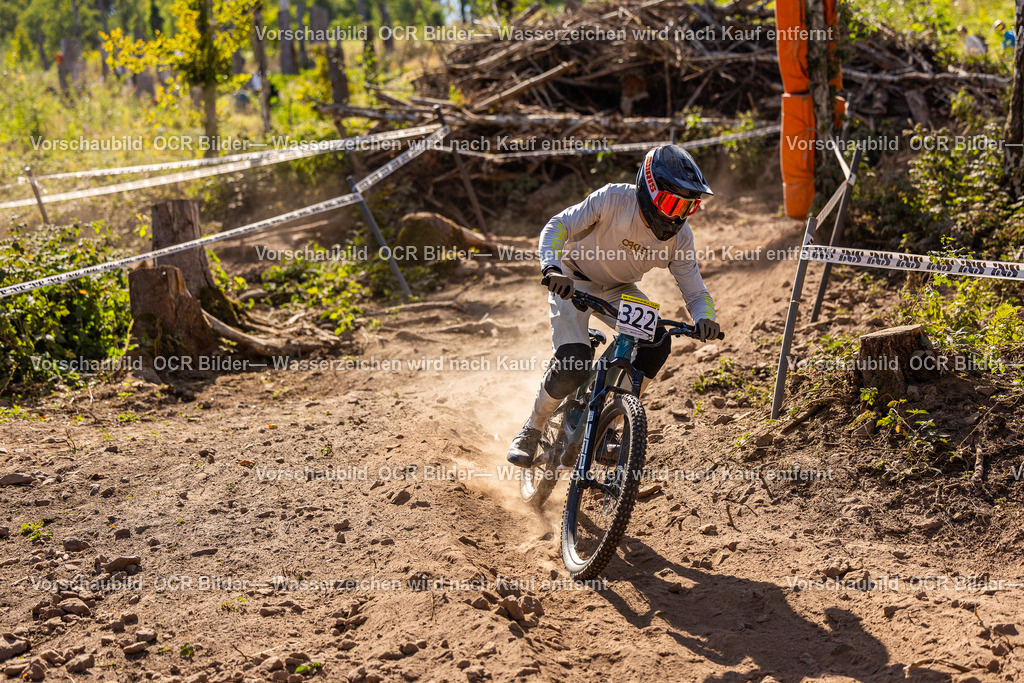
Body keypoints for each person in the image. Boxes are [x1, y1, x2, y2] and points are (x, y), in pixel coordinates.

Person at [506, 145, 720, 466]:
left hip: (620, 289)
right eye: (671, 202)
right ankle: (532, 429)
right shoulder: (613, 200)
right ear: (649, 190)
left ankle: (607, 424)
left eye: (687, 208)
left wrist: (706, 317)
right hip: (572, 278)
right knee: (574, 362)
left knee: (658, 342)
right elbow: (557, 226)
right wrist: (551, 267)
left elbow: (695, 290)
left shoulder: (680, 237)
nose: (676, 215)